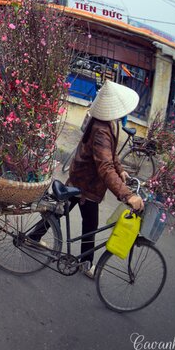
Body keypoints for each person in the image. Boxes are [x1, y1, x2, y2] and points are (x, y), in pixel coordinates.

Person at [66, 81, 145, 278]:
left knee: (63, 209)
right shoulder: (102, 128)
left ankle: (34, 236)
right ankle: (86, 263)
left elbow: (111, 157)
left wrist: (121, 171)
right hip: (87, 182)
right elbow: (105, 167)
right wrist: (127, 196)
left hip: (82, 176)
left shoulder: (110, 121)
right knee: (90, 224)